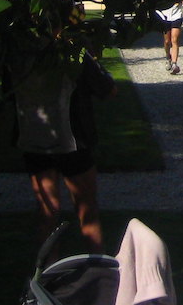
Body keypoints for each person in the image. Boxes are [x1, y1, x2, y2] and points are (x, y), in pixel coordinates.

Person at [10, 31, 116, 253]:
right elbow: (107, 90)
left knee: (48, 211)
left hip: (34, 136)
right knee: (86, 209)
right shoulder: (73, 53)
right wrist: (93, 59)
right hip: (73, 136)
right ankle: (96, 269)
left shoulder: (17, 54)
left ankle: (47, 274)